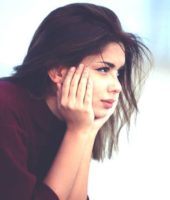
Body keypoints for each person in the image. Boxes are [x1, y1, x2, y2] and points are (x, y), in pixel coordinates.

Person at [0, 3, 150, 200]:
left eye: (118, 72)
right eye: (104, 69)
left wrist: (86, 131)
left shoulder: (73, 115)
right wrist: (78, 132)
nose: (117, 86)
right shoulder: (5, 106)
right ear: (58, 72)